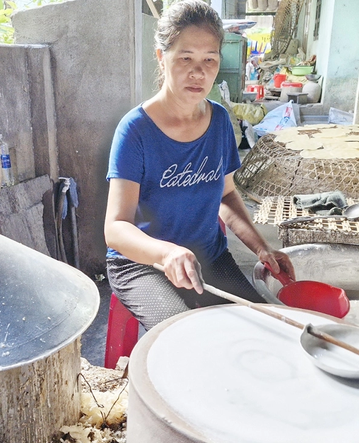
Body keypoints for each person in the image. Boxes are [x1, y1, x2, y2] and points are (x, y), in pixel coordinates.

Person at [104, 0, 294, 330]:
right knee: (184, 336)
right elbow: (116, 229)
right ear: (162, 58)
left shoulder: (220, 121)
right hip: (143, 265)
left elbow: (226, 196)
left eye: (209, 60)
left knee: (262, 329)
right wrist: (165, 254)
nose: (198, 72)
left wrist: (262, 248)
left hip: (208, 257)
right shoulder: (135, 130)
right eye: (185, 58)